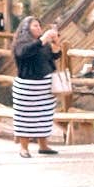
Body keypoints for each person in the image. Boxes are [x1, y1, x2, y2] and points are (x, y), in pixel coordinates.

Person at [12, 15, 61, 156]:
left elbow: (55, 57)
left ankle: (43, 145)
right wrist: (43, 39)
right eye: (35, 26)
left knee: (44, 117)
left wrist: (56, 44)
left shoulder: (43, 43)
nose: (39, 28)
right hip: (27, 87)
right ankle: (24, 147)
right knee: (25, 117)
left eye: (39, 25)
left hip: (45, 86)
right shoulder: (20, 43)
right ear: (26, 28)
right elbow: (24, 53)